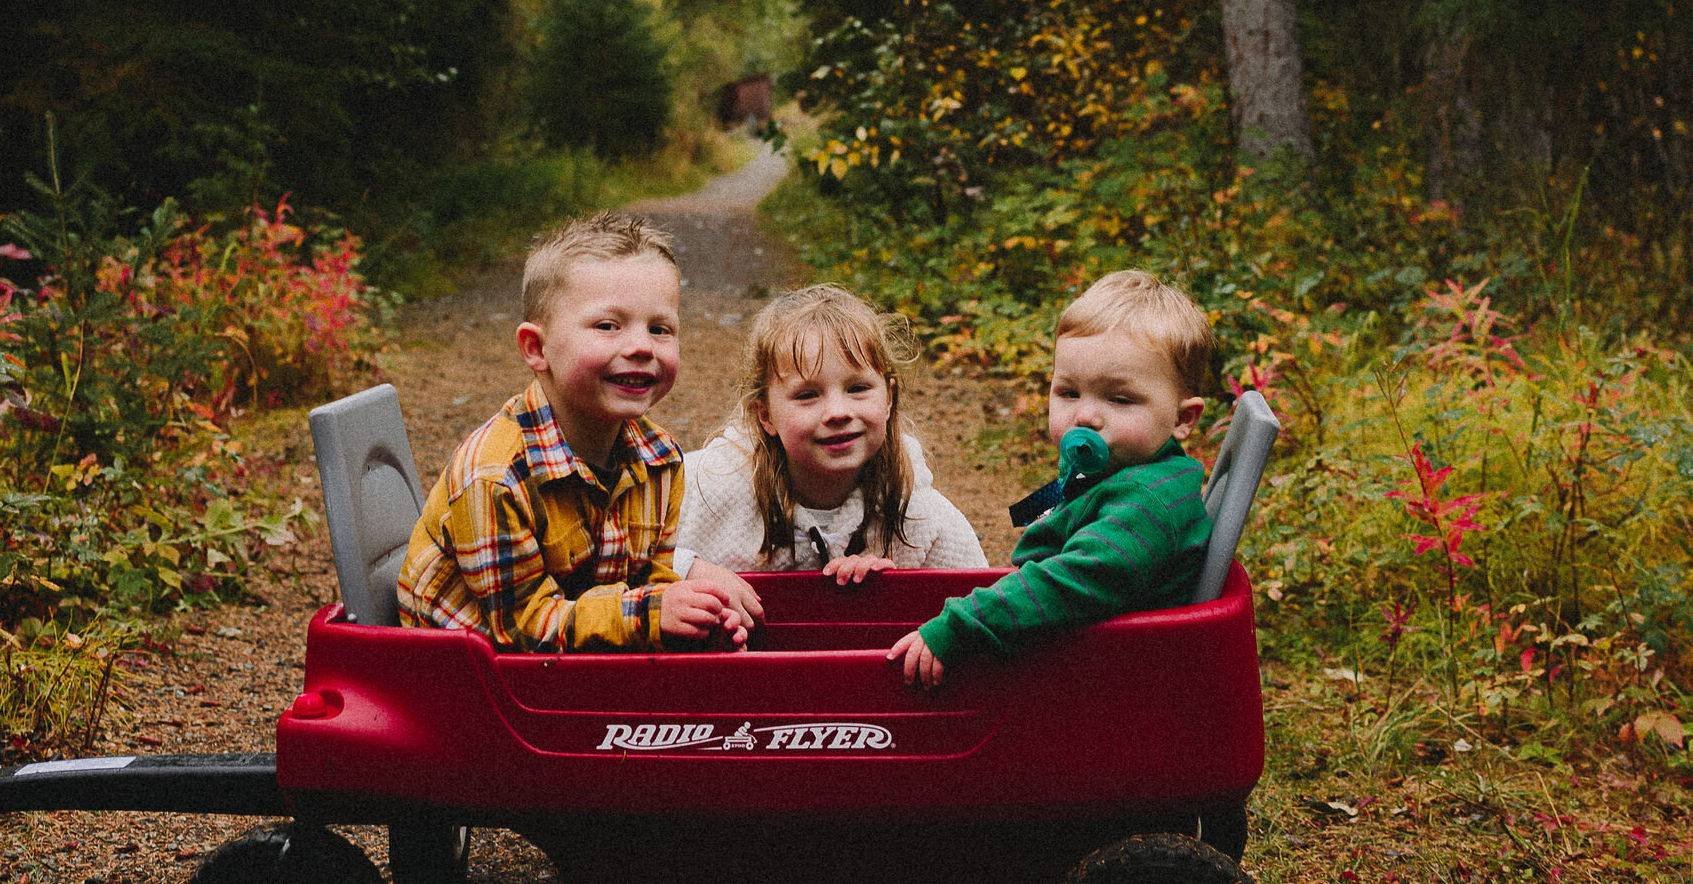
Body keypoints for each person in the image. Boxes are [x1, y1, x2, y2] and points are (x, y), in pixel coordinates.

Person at [398, 210, 759, 649]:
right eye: (608, 326)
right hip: (469, 677)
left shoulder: (659, 458)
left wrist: (691, 616)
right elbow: (525, 628)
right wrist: (647, 614)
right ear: (537, 348)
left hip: (574, 658)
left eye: (660, 328)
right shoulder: (495, 478)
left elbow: (650, 577)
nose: (642, 346)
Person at [888, 268, 1211, 687]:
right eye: (1069, 393)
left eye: (1119, 399)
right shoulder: (1123, 465)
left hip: (1111, 671)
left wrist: (962, 623)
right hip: (1091, 643)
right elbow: (1074, 491)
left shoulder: (1143, 505)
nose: (1085, 415)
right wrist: (1028, 511)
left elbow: (1071, 579)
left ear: (1182, 418)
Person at [677, 284, 987, 579]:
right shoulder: (705, 491)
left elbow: (977, 608)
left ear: (889, 398)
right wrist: (689, 569)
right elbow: (631, 560)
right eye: (807, 395)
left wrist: (892, 596)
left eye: (857, 388)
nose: (838, 412)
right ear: (766, 415)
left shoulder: (921, 516)